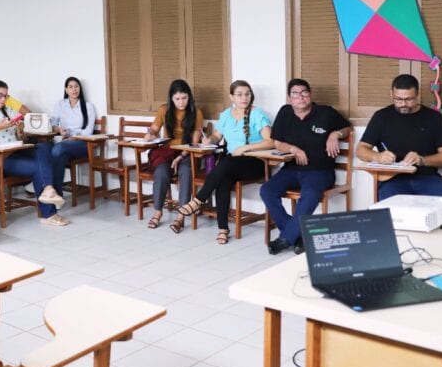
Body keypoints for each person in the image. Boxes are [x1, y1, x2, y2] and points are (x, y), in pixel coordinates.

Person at [261, 78, 352, 255]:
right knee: (267, 190)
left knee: (310, 195)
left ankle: (285, 238)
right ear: (289, 98)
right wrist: (293, 149)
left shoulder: (325, 113)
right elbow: (278, 142)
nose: (300, 97)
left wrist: (335, 133)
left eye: (304, 93)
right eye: (295, 94)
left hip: (320, 171)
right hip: (291, 169)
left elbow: (348, 128)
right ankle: (299, 236)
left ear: (310, 95)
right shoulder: (285, 112)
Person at [177, 80, 273, 244]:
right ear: (231, 97)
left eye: (247, 93)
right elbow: (217, 136)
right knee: (223, 179)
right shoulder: (226, 115)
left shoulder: (257, 114)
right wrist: (209, 140)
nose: (244, 98)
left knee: (225, 165)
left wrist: (246, 148)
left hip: (255, 162)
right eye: (240, 94)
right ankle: (223, 229)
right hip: (232, 163)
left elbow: (271, 141)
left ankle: (198, 200)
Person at [0, 80, 69, 226]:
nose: (4, 99)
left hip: (15, 153)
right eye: (0, 95)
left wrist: (21, 132)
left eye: (6, 96)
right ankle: (48, 212)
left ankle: (47, 190)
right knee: (37, 167)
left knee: (44, 146)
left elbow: (20, 137)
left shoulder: (9, 111)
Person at [356, 74, 442, 209]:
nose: (403, 104)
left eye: (409, 99)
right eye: (398, 99)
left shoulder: (433, 118)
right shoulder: (381, 117)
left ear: (418, 95)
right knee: (392, 212)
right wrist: (378, 156)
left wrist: (422, 160)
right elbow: (361, 150)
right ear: (391, 94)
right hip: (392, 180)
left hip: (426, 178)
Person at [144, 79, 204, 233]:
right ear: (171, 99)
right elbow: (154, 129)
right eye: (177, 99)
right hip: (167, 150)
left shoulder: (196, 113)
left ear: (189, 97)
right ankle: (158, 211)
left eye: (184, 98)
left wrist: (180, 156)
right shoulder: (164, 110)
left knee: (186, 172)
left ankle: (181, 216)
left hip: (188, 152)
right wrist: (150, 134)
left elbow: (194, 142)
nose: (181, 102)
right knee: (161, 172)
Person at [49, 76, 98, 198]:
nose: (74, 90)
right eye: (70, 87)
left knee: (57, 149)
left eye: (76, 86)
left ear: (80, 89)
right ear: (66, 90)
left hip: (83, 144)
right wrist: (59, 130)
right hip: (66, 144)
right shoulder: (60, 105)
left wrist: (75, 137)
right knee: (60, 156)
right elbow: (53, 124)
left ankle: (52, 192)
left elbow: (88, 131)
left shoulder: (88, 106)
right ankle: (57, 195)